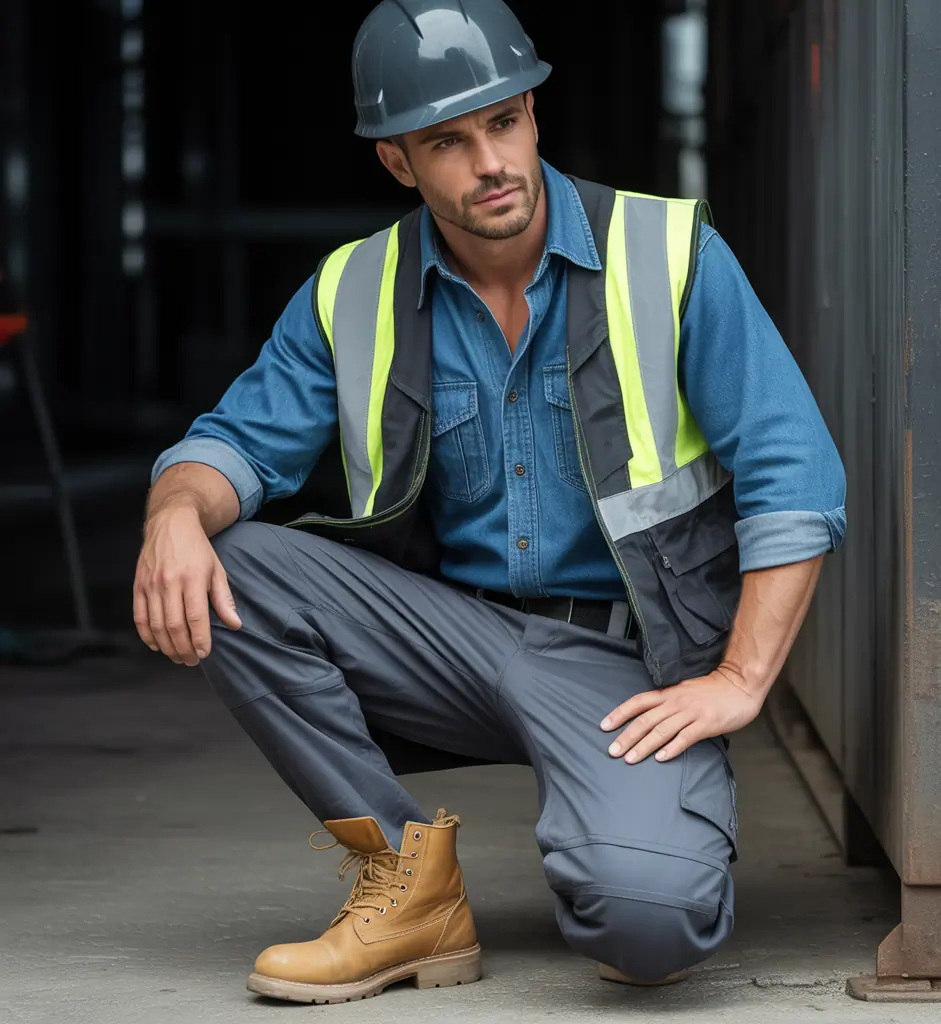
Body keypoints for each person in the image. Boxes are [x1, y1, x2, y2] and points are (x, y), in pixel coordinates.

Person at [134, 0, 846, 1006]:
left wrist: (739, 676)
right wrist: (171, 512)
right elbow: (230, 446)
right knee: (233, 559)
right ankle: (402, 879)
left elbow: (795, 472)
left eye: (504, 121)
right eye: (448, 142)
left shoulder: (667, 254)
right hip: (446, 639)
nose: (489, 161)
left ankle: (619, 834)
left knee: (648, 924)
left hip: (621, 666)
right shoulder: (355, 290)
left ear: (532, 114)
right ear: (397, 163)